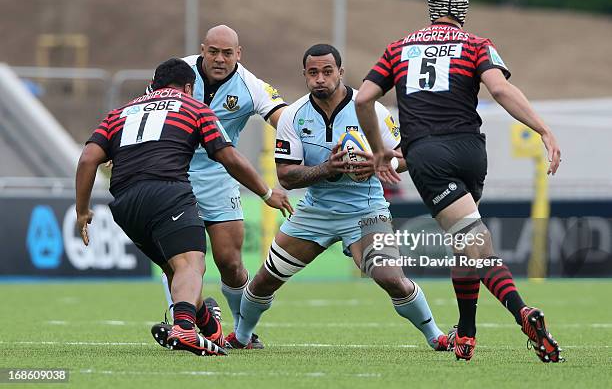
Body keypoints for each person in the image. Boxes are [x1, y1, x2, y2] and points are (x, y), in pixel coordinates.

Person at [355, 0, 563, 362]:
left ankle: (523, 313)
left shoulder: (398, 47)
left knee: (474, 243)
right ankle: (466, 333)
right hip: (471, 151)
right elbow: (499, 91)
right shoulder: (476, 44)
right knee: (465, 243)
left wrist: (381, 151)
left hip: (428, 154)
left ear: (430, 8)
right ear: (462, 11)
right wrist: (543, 128)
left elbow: (365, 97)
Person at [225, 44, 451, 352]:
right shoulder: (293, 115)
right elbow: (287, 176)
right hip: (316, 211)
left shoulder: (369, 107)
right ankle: (241, 338)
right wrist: (327, 169)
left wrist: (377, 163)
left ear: (340, 73)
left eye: (327, 72)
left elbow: (407, 156)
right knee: (264, 281)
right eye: (313, 73)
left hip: (366, 209)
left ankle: (436, 336)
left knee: (390, 277)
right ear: (304, 75)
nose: (320, 79)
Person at [75, 58, 292, 356]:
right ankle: (184, 329)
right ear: (189, 87)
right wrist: (267, 193)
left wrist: (82, 210)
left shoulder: (121, 112)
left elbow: (88, 159)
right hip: (166, 192)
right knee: (192, 265)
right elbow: (229, 157)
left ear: (154, 83)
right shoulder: (194, 107)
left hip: (124, 203)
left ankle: (210, 327)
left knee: (178, 272)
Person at [149, 25, 287, 348]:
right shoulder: (177, 74)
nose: (220, 59)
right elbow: (145, 108)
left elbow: (284, 119)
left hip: (221, 176)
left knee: (230, 261)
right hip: (175, 176)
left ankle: (242, 331)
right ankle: (182, 323)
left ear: (239, 54)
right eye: (213, 52)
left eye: (227, 53)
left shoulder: (251, 86)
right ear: (202, 50)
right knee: (177, 261)